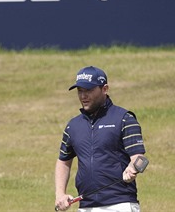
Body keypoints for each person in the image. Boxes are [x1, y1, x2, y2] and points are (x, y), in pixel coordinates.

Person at [55, 66, 146, 212]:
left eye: (89, 90)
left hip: (120, 204)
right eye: (80, 91)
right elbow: (63, 161)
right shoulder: (73, 126)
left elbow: (139, 158)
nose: (83, 96)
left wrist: (132, 168)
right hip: (86, 206)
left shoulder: (124, 118)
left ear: (105, 89)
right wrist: (60, 194)